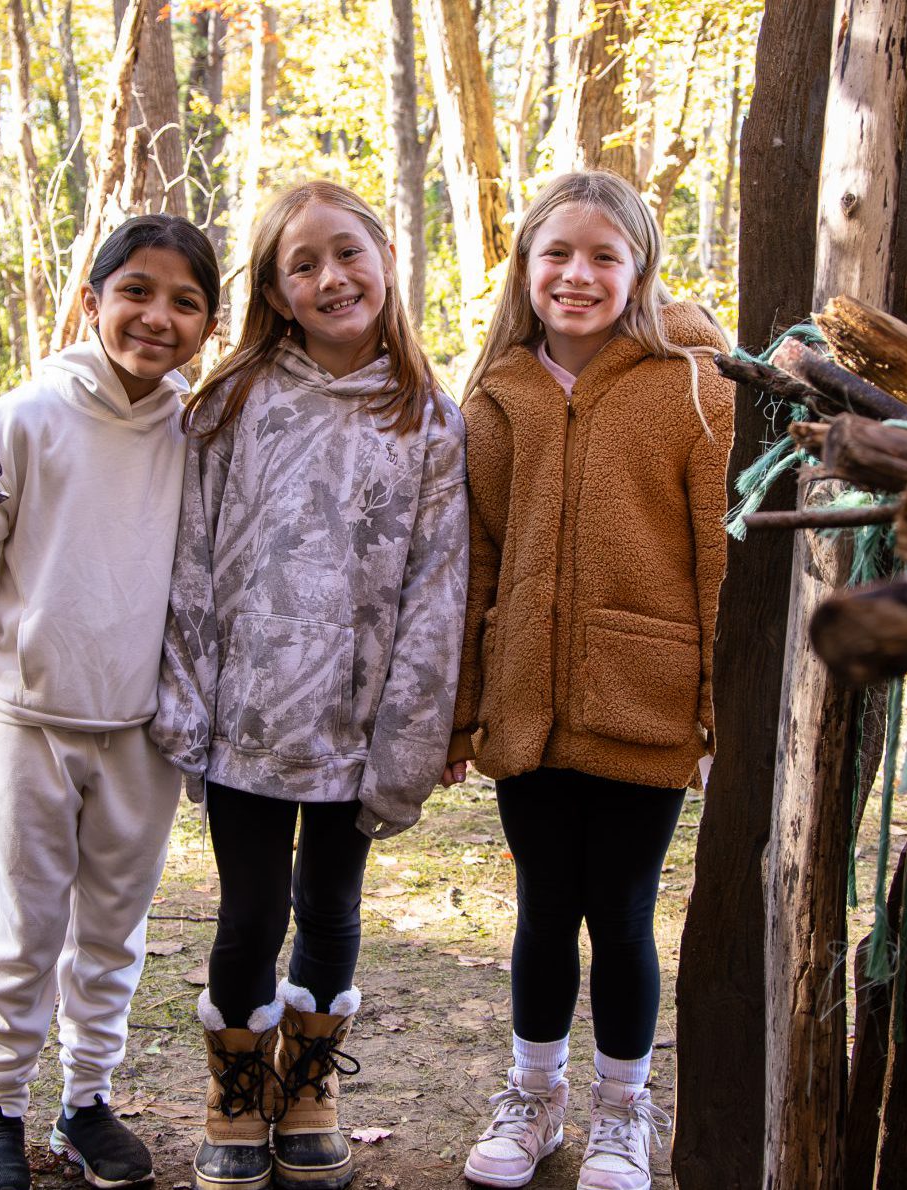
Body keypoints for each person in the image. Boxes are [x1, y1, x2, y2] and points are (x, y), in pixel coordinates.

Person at [152, 179, 468, 1190]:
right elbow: (192, 558)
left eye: (347, 253)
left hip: (357, 720)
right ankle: (234, 1092)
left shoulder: (428, 419)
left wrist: (409, 733)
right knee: (248, 912)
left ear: (384, 256)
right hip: (245, 715)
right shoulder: (233, 404)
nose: (331, 277)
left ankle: (312, 1081)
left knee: (330, 907)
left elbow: (435, 586)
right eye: (303, 265)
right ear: (277, 292)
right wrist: (185, 696)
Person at [447, 170, 734, 1190]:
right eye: (556, 254)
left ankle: (622, 1110)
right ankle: (533, 1096)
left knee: (619, 910)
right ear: (524, 268)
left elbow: (716, 557)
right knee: (540, 906)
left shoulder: (694, 387)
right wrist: (460, 708)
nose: (577, 274)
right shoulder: (495, 396)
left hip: (641, 702)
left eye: (603, 256)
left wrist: (713, 712)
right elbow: (475, 558)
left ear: (639, 269)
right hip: (525, 704)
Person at [0, 213, 221, 1190]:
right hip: (28, 718)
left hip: (144, 730)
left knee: (111, 927)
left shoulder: (197, 433)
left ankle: (87, 1095)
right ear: (92, 299)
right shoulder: (24, 418)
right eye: (135, 289)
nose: (156, 315)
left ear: (209, 324)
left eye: (185, 300)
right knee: (24, 919)